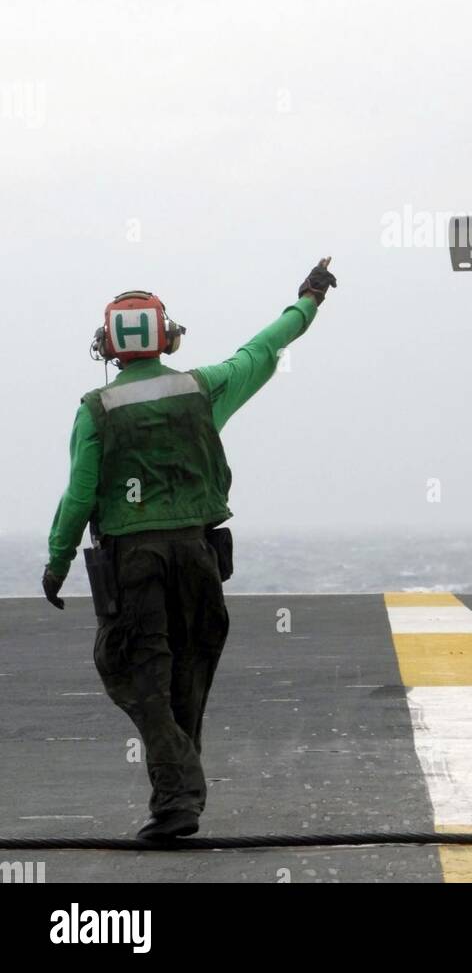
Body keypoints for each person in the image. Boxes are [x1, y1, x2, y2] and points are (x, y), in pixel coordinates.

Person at [41, 259, 337, 842]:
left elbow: (80, 494)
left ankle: (178, 794)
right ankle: (177, 797)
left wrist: (57, 560)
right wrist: (308, 299)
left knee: (133, 671)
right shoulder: (201, 390)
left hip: (135, 565)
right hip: (199, 559)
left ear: (109, 347)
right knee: (188, 678)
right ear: (167, 337)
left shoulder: (97, 410)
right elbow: (266, 346)